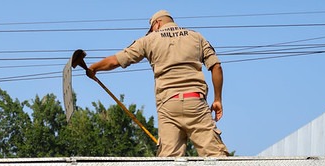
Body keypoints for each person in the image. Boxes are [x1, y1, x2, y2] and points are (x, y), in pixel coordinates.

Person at [86, 10, 229, 157]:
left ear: (157, 23)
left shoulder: (149, 40)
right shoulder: (196, 37)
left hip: (168, 106)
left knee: (168, 163)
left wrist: (94, 68)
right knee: (216, 157)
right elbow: (216, 67)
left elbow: (116, 60)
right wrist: (218, 99)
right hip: (196, 102)